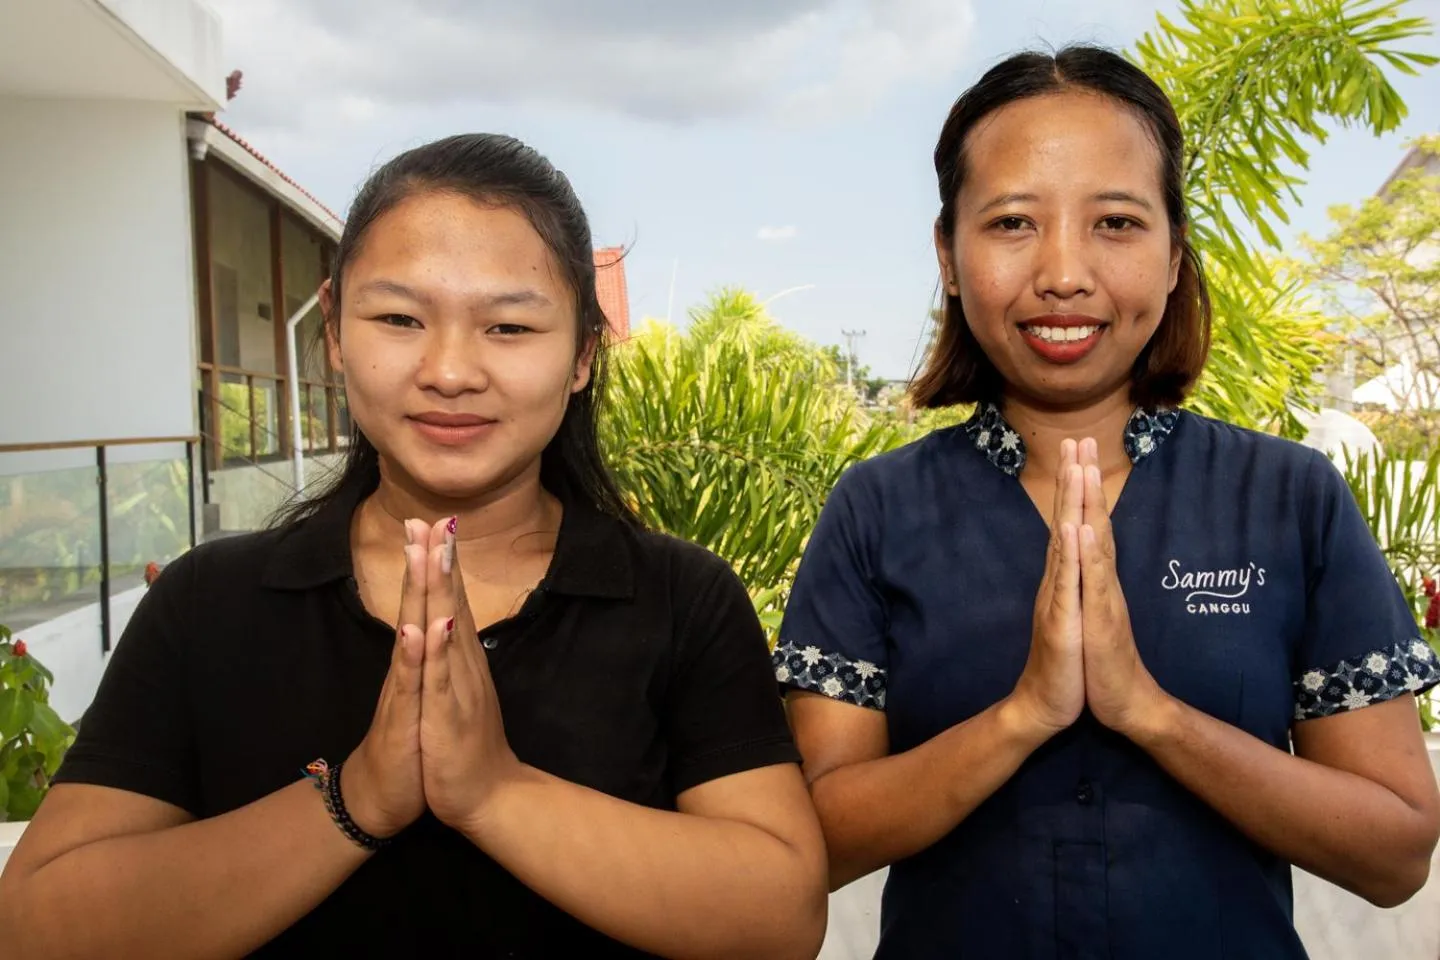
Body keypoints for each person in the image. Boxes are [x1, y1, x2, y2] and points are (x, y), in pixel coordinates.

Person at [0, 134, 827, 959]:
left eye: (508, 326)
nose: (450, 370)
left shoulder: (682, 601)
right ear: (333, 328)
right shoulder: (207, 603)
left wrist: (496, 792)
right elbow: (37, 926)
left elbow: (780, 917)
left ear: (581, 353)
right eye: (400, 318)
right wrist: (356, 799)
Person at [774, 45, 1440, 959]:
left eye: (1117, 223)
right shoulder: (875, 511)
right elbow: (810, 842)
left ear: (1174, 254)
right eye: (1012, 222)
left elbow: (1397, 851)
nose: (1063, 272)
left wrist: (1149, 713)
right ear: (950, 255)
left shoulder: (1291, 498)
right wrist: (1024, 715)